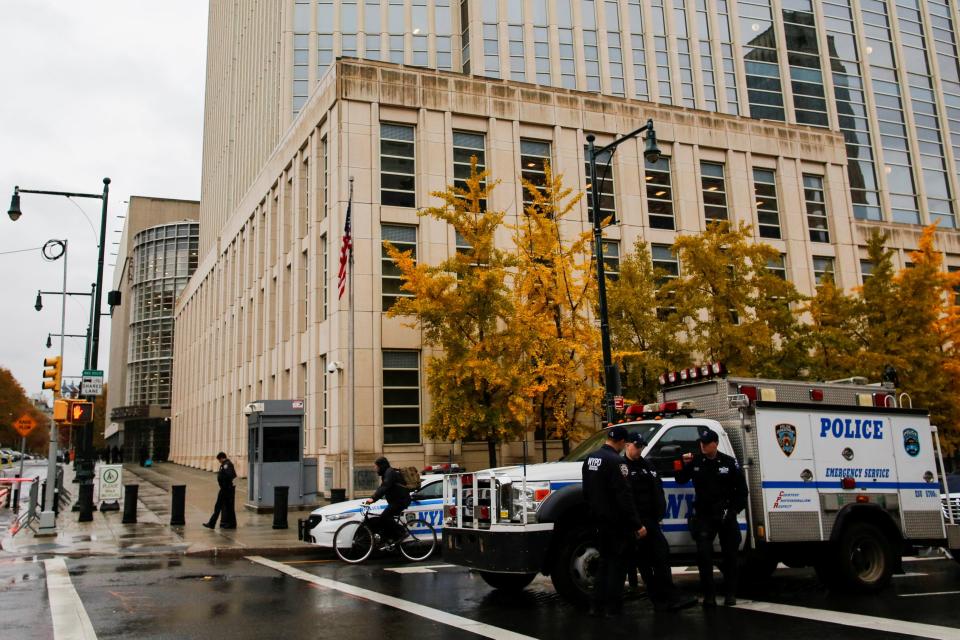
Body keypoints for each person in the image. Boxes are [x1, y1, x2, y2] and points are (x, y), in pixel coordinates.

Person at [675, 427, 747, 607]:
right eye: (702, 443)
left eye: (706, 443)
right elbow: (680, 479)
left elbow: (742, 491)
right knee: (704, 556)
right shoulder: (696, 461)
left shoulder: (729, 463)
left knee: (730, 556)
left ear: (715, 444)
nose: (703, 446)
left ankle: (730, 594)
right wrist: (679, 461)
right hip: (704, 515)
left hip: (725, 514)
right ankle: (709, 596)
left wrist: (733, 511)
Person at [624, 432, 696, 612]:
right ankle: (659, 600)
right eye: (636, 445)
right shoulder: (622, 468)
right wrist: (635, 524)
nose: (640, 449)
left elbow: (657, 489)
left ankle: (668, 597)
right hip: (637, 522)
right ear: (626, 445)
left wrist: (659, 512)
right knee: (645, 563)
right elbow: (624, 498)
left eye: (641, 446)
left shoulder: (647, 465)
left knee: (661, 556)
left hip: (652, 520)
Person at [580, 425, 643, 617]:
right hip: (616, 523)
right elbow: (624, 496)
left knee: (603, 563)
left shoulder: (590, 459)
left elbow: (586, 492)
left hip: (598, 521)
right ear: (623, 442)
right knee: (617, 566)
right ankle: (613, 607)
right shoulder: (617, 462)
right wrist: (636, 523)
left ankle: (596, 605)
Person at [364, 457, 412, 545]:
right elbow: (382, 488)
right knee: (386, 518)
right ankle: (392, 538)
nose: (375, 469)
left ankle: (402, 532)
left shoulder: (390, 473)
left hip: (400, 501)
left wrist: (373, 498)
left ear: (381, 466)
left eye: (376, 467)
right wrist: (373, 498)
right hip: (396, 500)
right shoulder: (387, 473)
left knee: (384, 517)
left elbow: (384, 487)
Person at [203, 452, 237, 530]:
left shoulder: (227, 464)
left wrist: (225, 483)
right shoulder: (225, 464)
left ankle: (212, 523)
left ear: (222, 458)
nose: (219, 461)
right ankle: (229, 524)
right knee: (227, 507)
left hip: (226, 489)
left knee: (220, 506)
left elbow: (230, 475)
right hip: (225, 489)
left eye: (219, 460)